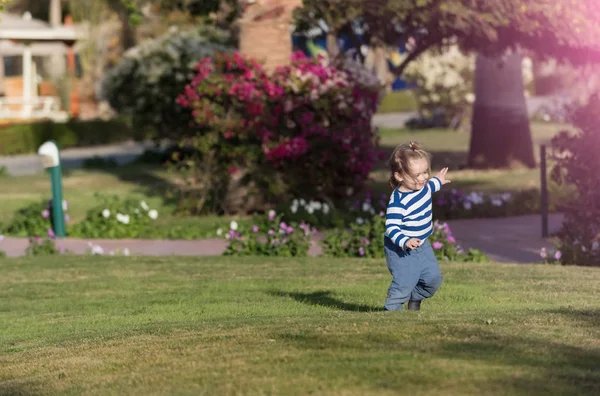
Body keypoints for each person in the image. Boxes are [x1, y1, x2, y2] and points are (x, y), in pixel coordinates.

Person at [383, 141, 450, 311]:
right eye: (417, 175)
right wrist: (405, 241)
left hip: (422, 244)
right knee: (405, 281)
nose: (423, 178)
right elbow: (391, 228)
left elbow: (431, 185)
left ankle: (415, 299)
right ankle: (392, 310)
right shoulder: (398, 202)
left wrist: (439, 180)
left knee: (433, 279)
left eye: (425, 173)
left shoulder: (424, 187)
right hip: (400, 248)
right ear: (399, 176)